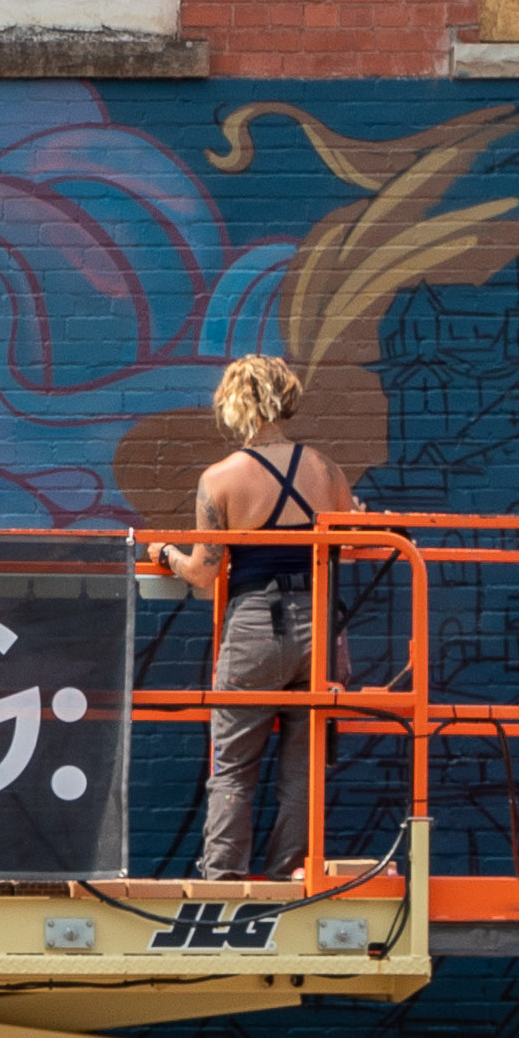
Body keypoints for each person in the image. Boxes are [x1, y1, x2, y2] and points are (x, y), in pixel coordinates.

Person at [146, 353, 363, 880]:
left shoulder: (219, 479)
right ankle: (292, 869)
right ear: (284, 399)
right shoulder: (323, 469)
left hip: (254, 628)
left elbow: (203, 572)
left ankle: (223, 877)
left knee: (235, 767)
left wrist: (163, 554)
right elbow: (352, 547)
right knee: (303, 767)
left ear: (235, 405)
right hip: (319, 625)